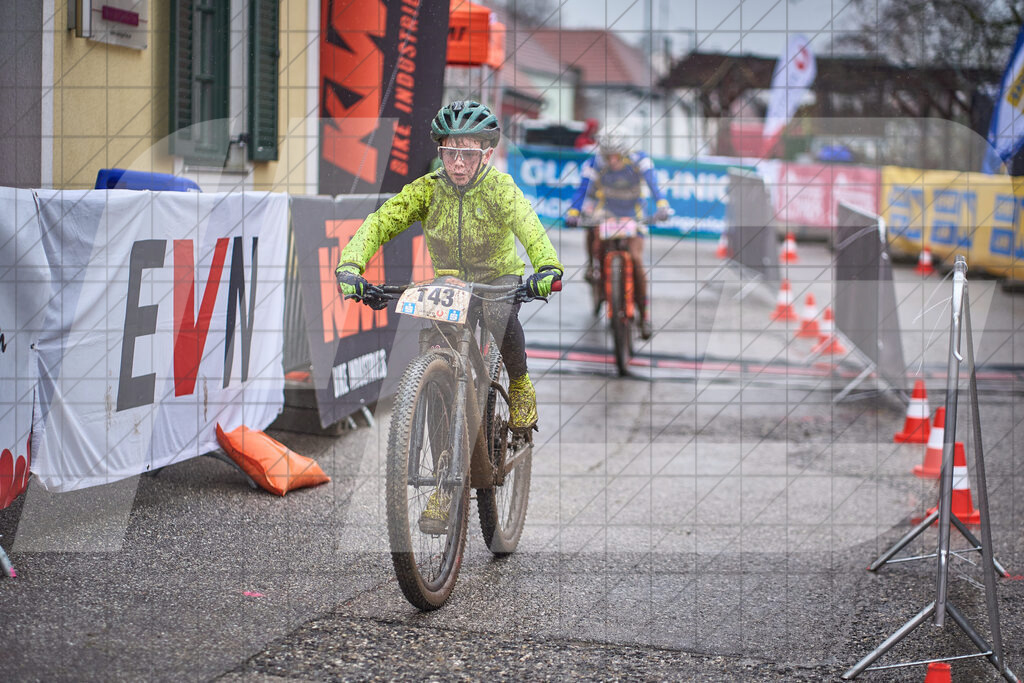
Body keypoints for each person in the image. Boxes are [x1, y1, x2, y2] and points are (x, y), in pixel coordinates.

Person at [335, 100, 563, 434]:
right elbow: (380, 222)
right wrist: (351, 265)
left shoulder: (500, 189)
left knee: (499, 316)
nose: (457, 163)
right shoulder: (427, 189)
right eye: (449, 152)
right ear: (440, 152)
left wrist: (546, 267)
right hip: (450, 282)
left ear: (485, 154)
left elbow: (530, 227)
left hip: (497, 277)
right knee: (434, 346)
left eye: (467, 154)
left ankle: (520, 384)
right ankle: (443, 465)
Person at [564, 134, 670, 339]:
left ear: (625, 152)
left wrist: (662, 204)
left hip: (633, 213)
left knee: (636, 258)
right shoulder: (594, 163)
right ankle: (595, 267)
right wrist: (573, 212)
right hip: (607, 212)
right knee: (593, 229)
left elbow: (654, 184)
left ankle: (644, 314)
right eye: (607, 156)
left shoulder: (640, 160)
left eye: (616, 156)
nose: (612, 160)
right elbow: (582, 189)